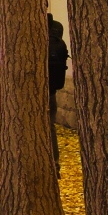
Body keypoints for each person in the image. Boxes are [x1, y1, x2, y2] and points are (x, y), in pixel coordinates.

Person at [48, 14, 70, 162]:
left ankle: (52, 163)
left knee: (48, 126)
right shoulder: (57, 28)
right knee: (50, 126)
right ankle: (55, 163)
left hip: (44, 89)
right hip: (52, 89)